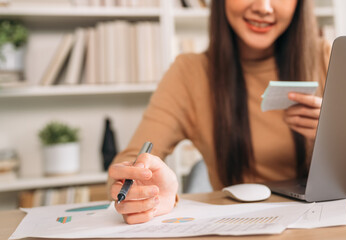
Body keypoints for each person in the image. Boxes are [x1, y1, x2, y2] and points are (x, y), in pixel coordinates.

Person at [108, 0, 330, 224]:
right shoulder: (190, 74)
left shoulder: (326, 59)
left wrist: (337, 136)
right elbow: (130, 162)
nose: (264, 7)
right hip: (240, 226)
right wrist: (147, 189)